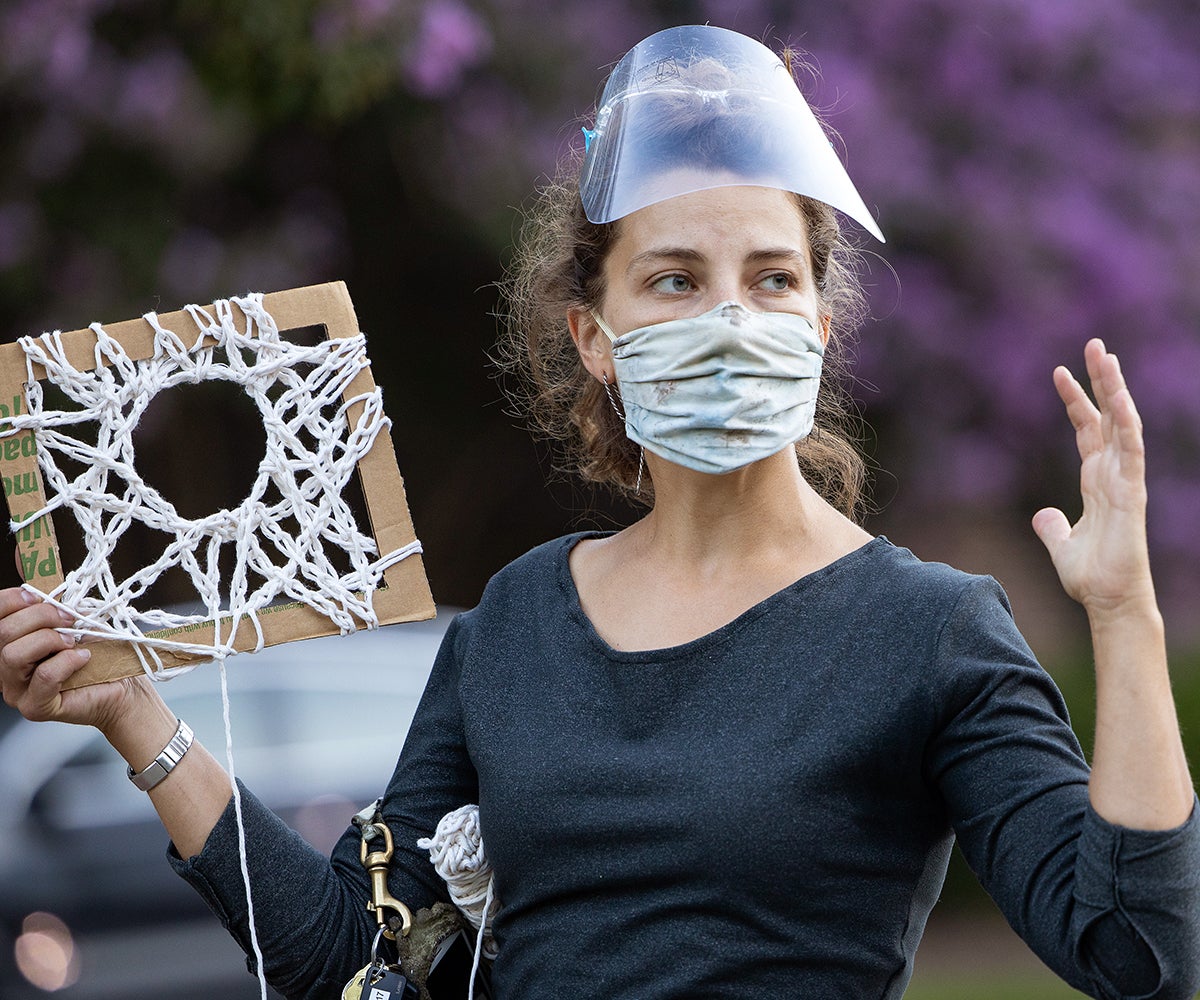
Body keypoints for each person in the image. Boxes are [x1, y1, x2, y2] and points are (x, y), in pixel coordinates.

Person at [2, 23, 1199, 1000]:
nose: (729, 317)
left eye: (770, 278)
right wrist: (135, 717)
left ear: (821, 326)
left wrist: (1128, 615)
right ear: (597, 336)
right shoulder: (517, 619)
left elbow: (1139, 954)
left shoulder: (932, 631)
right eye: (675, 279)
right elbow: (346, 958)